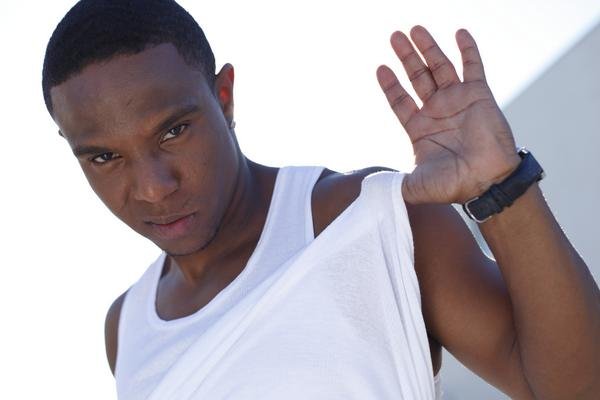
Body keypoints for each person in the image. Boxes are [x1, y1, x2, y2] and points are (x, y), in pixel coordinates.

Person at [42, 0, 599, 399]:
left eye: (173, 131)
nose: (153, 187)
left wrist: (502, 186)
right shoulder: (127, 329)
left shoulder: (369, 219)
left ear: (224, 96)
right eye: (104, 157)